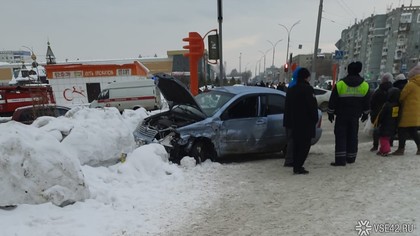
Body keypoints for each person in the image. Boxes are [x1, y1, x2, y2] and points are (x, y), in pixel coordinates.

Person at [327, 61, 370, 166]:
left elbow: (333, 100)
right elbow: (367, 102)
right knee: (352, 136)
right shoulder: (364, 85)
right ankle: (351, 157)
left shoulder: (341, 84)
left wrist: (330, 113)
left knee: (341, 136)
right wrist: (365, 114)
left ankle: (340, 159)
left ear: (348, 70)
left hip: (341, 115)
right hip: (355, 116)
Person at [283, 67, 319, 174]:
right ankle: (298, 166)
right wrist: (315, 118)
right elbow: (312, 106)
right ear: (306, 77)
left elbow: (287, 106)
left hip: (294, 122)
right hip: (305, 122)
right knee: (304, 145)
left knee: (296, 144)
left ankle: (295, 165)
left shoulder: (291, 89)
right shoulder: (308, 89)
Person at [392, 65, 420, 155]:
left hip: (407, 111)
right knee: (413, 131)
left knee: (402, 129)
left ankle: (401, 149)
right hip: (416, 111)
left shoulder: (411, 84)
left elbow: (402, 96)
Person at [369, 72, 394, 152]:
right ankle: (389, 143)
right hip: (389, 113)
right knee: (388, 129)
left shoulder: (378, 91)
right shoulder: (393, 90)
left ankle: (375, 146)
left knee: (376, 129)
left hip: (377, 112)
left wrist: (372, 111)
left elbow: (372, 102)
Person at [374, 87, 400, 156]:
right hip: (394, 124)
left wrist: (379, 121)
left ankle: (385, 150)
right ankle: (382, 150)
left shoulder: (387, 105)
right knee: (386, 137)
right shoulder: (398, 104)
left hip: (385, 124)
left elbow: (382, 115)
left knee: (383, 138)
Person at [283, 67, 301, 167]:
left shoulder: (291, 84)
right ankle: (290, 160)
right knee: (293, 140)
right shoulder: (296, 86)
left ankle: (289, 159)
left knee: (290, 139)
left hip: (288, 117)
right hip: (294, 118)